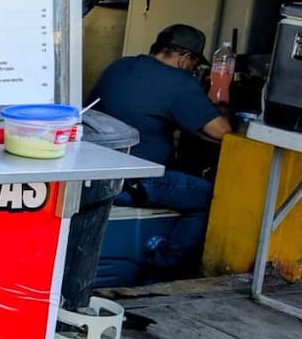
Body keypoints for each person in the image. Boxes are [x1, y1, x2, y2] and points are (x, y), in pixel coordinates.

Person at [88, 23, 233, 277]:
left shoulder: (120, 66)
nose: (193, 70)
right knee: (214, 198)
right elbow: (222, 131)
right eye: (194, 64)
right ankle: (161, 270)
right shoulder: (180, 82)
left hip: (94, 175)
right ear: (185, 58)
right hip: (133, 182)